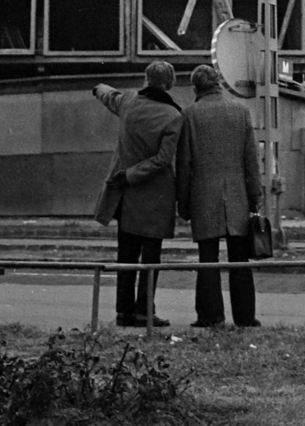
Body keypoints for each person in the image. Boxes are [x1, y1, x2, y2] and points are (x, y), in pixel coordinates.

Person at [92, 60, 182, 327]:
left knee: (126, 256)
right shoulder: (173, 117)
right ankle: (144, 311)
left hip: (125, 197)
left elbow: (110, 96)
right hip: (156, 198)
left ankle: (124, 312)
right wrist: (133, 174)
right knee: (151, 258)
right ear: (170, 83)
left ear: (146, 79)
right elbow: (164, 159)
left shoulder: (129, 102)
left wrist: (98, 88)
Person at [175, 63, 262, 329]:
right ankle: (245, 316)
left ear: (195, 88)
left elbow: (185, 164)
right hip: (237, 196)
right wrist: (254, 195)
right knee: (240, 259)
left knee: (208, 259)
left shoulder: (190, 115)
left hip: (204, 197)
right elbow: (251, 161)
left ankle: (211, 316)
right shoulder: (241, 112)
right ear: (219, 83)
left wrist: (184, 202)